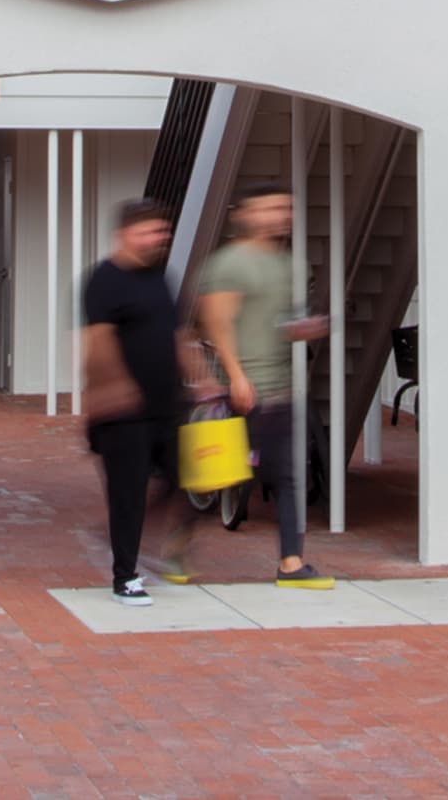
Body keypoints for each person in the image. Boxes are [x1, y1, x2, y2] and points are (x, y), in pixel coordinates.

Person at [153, 182, 333, 589]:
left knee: (288, 475)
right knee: (215, 474)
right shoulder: (228, 265)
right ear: (246, 214)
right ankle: (176, 547)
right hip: (243, 391)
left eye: (285, 208)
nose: (279, 216)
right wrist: (234, 375)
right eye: (269, 208)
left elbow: (278, 323)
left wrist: (304, 329)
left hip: (281, 390)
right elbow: (216, 322)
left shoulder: (289, 264)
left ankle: (291, 564)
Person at [82, 197, 197, 605]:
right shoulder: (103, 280)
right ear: (125, 234)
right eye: (151, 231)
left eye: (162, 231)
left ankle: (143, 544)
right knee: (127, 493)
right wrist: (113, 386)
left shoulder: (160, 278)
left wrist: (204, 380)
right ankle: (124, 577)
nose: (159, 238)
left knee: (185, 479)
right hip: (121, 413)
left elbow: (178, 334)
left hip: (166, 405)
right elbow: (96, 340)